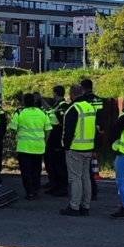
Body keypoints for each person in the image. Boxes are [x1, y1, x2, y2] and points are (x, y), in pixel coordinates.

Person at [60, 84, 97, 216]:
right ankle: (85, 206)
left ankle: (74, 206)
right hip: (88, 147)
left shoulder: (73, 109)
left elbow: (68, 131)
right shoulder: (90, 107)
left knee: (75, 178)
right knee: (85, 177)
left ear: (71, 94)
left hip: (75, 148)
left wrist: (66, 146)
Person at [8, 93, 51, 200]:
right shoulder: (42, 112)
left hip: (24, 147)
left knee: (26, 171)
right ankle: (36, 189)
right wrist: (44, 142)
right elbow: (48, 129)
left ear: (24, 102)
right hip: (38, 147)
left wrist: (18, 133)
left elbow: (12, 128)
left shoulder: (20, 112)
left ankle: (29, 192)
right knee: (36, 170)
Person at [44, 85, 70, 196]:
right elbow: (50, 111)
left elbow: (61, 122)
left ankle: (62, 187)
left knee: (60, 165)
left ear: (55, 93)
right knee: (53, 163)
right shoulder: (57, 105)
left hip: (58, 138)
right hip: (53, 139)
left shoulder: (63, 106)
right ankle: (55, 185)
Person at [80, 78, 104, 200]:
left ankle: (91, 190)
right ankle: (92, 188)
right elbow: (100, 116)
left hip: (84, 134)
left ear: (83, 88)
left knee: (85, 166)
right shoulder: (98, 99)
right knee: (88, 163)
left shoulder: (84, 100)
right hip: (95, 135)